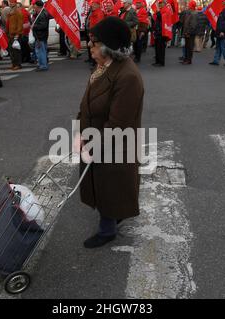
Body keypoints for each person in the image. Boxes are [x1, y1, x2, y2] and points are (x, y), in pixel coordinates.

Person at [75, 16, 144, 249]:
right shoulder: (103, 67)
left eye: (94, 43)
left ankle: (108, 230)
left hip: (114, 144)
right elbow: (87, 102)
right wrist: (80, 130)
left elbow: (118, 123)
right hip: (97, 137)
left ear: (108, 48)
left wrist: (92, 144)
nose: (89, 46)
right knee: (102, 186)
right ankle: (112, 219)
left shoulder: (128, 77)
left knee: (109, 188)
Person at [209, 0, 225, 66]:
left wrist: (223, 31)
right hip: (220, 31)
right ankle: (216, 60)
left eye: (223, 0)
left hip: (222, 32)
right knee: (219, 46)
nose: (222, 1)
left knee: (223, 46)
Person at [32, 1, 49, 72]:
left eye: (35, 7)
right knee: (42, 50)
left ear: (39, 7)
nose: (34, 8)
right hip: (41, 35)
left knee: (40, 51)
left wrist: (34, 26)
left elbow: (43, 25)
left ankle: (43, 66)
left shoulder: (42, 14)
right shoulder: (41, 13)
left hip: (40, 36)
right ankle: (42, 64)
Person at [152, 0, 171, 67]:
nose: (159, 4)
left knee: (161, 48)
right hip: (158, 31)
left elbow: (161, 18)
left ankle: (161, 62)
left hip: (162, 32)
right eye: (159, 3)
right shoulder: (161, 10)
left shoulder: (166, 10)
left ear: (164, 3)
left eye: (160, 3)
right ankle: (157, 61)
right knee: (157, 47)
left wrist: (157, 10)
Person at [87, 0, 105, 67]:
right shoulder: (94, 12)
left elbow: (98, 25)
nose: (92, 5)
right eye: (92, 4)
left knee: (97, 49)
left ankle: (97, 64)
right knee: (94, 48)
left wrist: (92, 34)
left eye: (94, 4)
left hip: (96, 34)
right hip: (93, 33)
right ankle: (96, 63)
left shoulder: (99, 13)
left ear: (98, 5)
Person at [6, 0, 23, 70]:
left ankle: (18, 64)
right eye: (10, 2)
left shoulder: (18, 12)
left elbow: (20, 24)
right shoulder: (11, 11)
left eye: (12, 2)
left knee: (16, 51)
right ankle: (14, 64)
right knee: (11, 51)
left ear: (15, 3)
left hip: (15, 34)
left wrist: (18, 34)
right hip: (10, 34)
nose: (10, 3)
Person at [181, 0, 198, 64]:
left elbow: (193, 25)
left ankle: (188, 60)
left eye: (189, 4)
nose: (188, 5)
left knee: (189, 47)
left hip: (190, 33)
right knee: (187, 46)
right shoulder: (189, 12)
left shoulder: (193, 13)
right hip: (187, 32)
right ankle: (186, 59)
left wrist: (188, 32)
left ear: (191, 5)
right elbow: (184, 21)